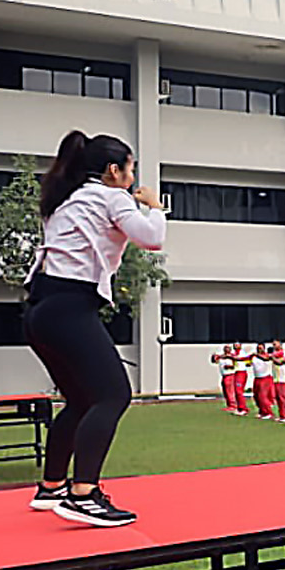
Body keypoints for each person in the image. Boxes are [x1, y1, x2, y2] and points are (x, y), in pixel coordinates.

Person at [21, 130, 167, 527]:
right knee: (114, 395)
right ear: (113, 170)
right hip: (69, 307)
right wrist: (155, 207)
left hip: (39, 310)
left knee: (82, 400)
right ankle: (83, 494)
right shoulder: (109, 195)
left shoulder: (65, 198)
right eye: (131, 168)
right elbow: (151, 238)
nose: (134, 178)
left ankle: (51, 488)